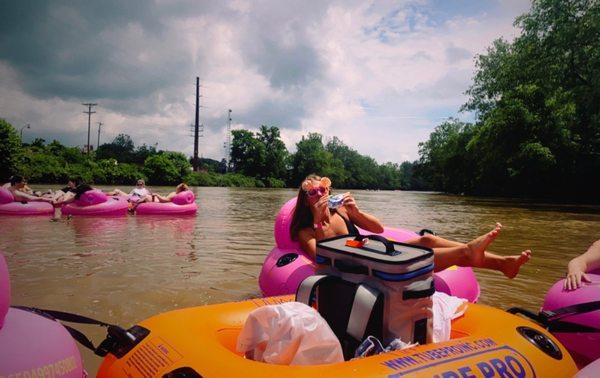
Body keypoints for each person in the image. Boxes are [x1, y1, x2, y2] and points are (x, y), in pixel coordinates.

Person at [290, 174, 532, 278]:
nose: (320, 194)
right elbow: (320, 257)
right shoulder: (306, 230)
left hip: (369, 246)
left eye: (323, 188)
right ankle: (468, 251)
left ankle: (503, 264)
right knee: (428, 253)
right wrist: (318, 220)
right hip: (358, 261)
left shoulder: (341, 211)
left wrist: (357, 212)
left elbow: (378, 230)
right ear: (306, 198)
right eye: (313, 192)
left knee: (426, 241)